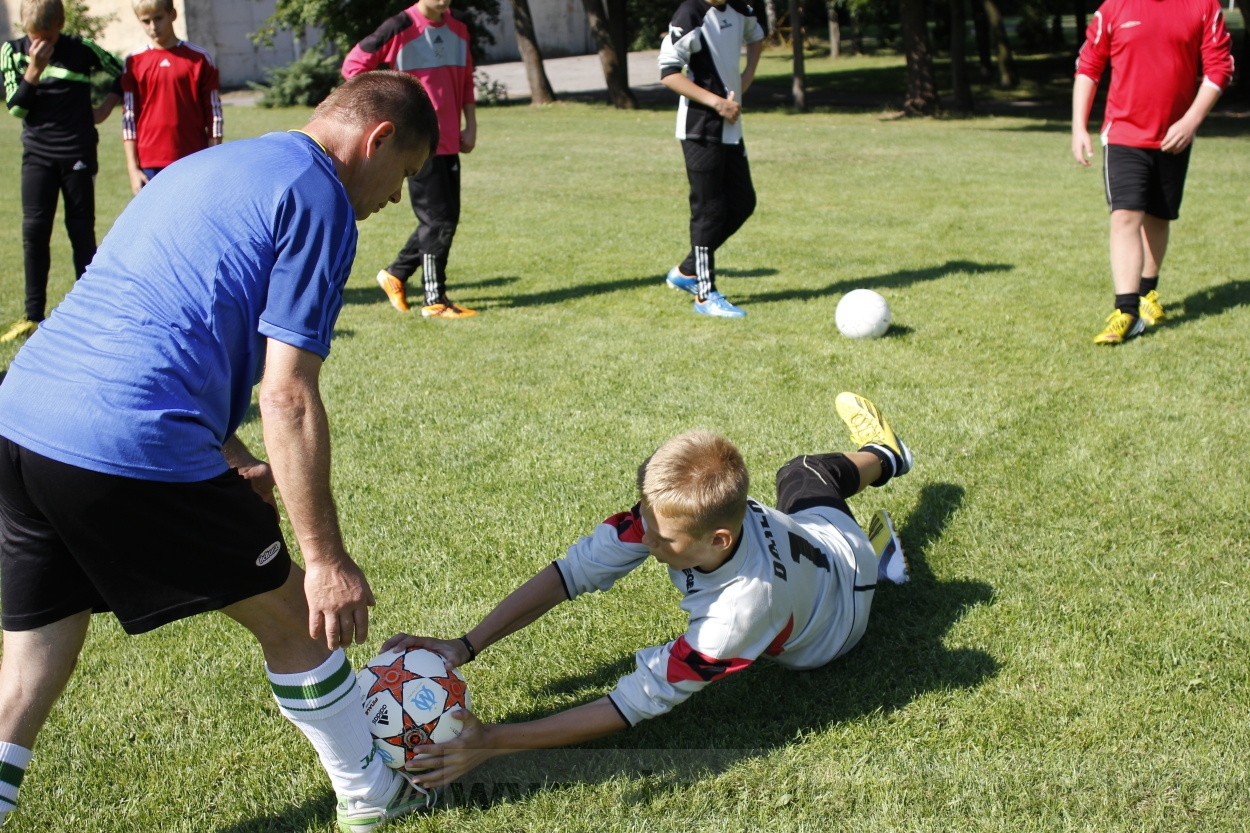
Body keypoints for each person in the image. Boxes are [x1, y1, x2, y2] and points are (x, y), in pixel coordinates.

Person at [0, 72, 441, 833]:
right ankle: (373, 792)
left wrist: (231, 453)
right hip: (125, 440)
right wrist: (326, 559)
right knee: (300, 620)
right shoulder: (320, 198)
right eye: (404, 172)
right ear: (377, 140)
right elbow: (288, 395)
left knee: (31, 665)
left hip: (22, 421)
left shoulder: (208, 164)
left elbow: (159, 317)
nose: (396, 197)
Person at [383, 392, 914, 787]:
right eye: (645, 519)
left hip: (840, 620)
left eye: (660, 538)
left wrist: (492, 742)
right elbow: (571, 573)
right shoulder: (672, 517)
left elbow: (630, 703)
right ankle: (885, 465)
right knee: (803, 473)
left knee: (806, 471)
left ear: (718, 539)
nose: (645, 536)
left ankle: (885, 469)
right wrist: (466, 644)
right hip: (819, 542)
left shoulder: (736, 614)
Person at [1072, 0, 1234, 345]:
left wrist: (1190, 121)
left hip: (1174, 137)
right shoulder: (1114, 8)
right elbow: (1088, 66)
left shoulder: (1204, 6)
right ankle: (1126, 312)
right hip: (1123, 134)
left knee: (1159, 217)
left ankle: (1148, 292)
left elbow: (1220, 67)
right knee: (1125, 214)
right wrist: (1078, 126)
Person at [343, 0, 479, 319]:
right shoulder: (399, 26)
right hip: (418, 143)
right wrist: (390, 109)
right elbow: (353, 65)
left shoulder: (460, 26)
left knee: (445, 218)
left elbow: (466, 80)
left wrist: (471, 124)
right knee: (438, 220)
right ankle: (434, 300)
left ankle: (396, 274)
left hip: (449, 140)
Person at [0, 0, 122, 344]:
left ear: (61, 25)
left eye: (48, 37)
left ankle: (90, 311)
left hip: (77, 153)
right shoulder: (12, 51)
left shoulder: (81, 49)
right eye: (34, 36)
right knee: (34, 232)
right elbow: (16, 108)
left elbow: (123, 72)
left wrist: (104, 108)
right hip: (37, 156)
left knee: (81, 231)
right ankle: (32, 316)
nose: (40, 43)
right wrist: (34, 69)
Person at [658, 0, 764, 319]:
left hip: (731, 127)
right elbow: (669, 74)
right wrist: (718, 103)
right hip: (700, 128)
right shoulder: (690, 13)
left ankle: (688, 270)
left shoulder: (740, 8)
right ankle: (705, 296)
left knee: (742, 202)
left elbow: (756, 35)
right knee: (709, 210)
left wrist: (747, 76)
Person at [120, 0, 223, 194]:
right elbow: (129, 118)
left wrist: (213, 157)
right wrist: (132, 169)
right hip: (150, 162)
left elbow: (214, 114)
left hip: (193, 157)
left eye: (158, 18)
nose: (153, 27)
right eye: (146, 21)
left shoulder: (199, 58)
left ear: (172, 15)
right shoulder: (134, 62)